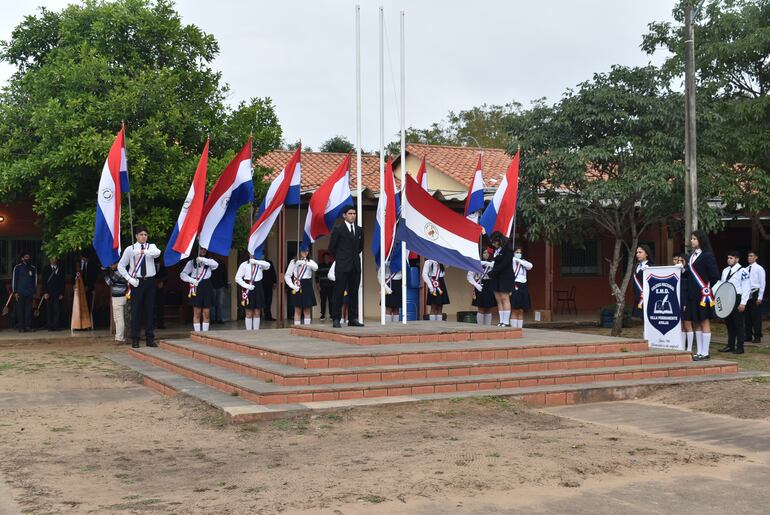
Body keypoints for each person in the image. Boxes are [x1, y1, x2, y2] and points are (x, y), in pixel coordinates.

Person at [118, 225, 161, 348]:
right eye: (141, 234)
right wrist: (130, 279)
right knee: (136, 311)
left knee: (150, 310)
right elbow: (121, 266)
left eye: (145, 235)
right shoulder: (130, 249)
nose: (143, 237)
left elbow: (157, 253)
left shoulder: (151, 247)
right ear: (136, 236)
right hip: (136, 282)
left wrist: (143, 252)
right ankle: (135, 339)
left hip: (150, 281)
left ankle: (150, 338)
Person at [683, 230, 720, 361]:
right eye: (691, 238)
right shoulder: (691, 256)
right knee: (696, 321)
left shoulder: (707, 255)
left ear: (701, 240)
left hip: (703, 294)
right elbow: (690, 273)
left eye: (694, 239)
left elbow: (715, 275)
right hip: (692, 294)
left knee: (704, 321)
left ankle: (705, 352)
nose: (692, 241)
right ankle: (699, 351)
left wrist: (707, 287)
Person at [328, 205, 364, 328]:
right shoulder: (338, 229)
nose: (353, 216)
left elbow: (360, 247)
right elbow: (331, 248)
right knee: (338, 292)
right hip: (342, 266)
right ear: (344, 215)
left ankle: (352, 318)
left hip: (355, 266)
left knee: (354, 293)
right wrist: (341, 258)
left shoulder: (359, 230)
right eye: (350, 213)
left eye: (354, 213)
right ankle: (336, 318)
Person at [719, 251, 751, 354]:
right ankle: (730, 345)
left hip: (737, 297)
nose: (729, 260)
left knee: (738, 323)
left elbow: (746, 288)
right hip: (727, 297)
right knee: (729, 323)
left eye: (731, 258)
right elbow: (722, 285)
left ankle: (740, 346)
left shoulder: (743, 271)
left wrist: (743, 303)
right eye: (728, 258)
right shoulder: (725, 270)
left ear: (737, 259)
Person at [180, 248, 219, 332]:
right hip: (196, 285)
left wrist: (202, 259)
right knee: (197, 312)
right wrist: (192, 280)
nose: (203, 251)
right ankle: (197, 334)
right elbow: (183, 274)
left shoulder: (209, 261)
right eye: (201, 249)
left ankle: (205, 334)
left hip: (207, 285)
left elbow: (216, 265)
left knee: (206, 312)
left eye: (205, 249)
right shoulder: (191, 262)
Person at [235, 256, 271, 330]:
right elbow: (237, 278)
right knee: (248, 312)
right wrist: (246, 285)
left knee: (257, 312)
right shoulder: (244, 264)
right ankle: (249, 332)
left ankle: (256, 332)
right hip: (247, 286)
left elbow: (268, 265)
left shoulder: (260, 264)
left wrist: (256, 261)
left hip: (258, 287)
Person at [284, 247, 318, 325]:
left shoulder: (310, 261)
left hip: (307, 285)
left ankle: (307, 330)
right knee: (297, 309)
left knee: (307, 310)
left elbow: (316, 268)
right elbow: (287, 275)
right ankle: (297, 329)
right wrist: (292, 286)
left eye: (307, 251)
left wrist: (305, 263)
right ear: (299, 251)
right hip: (297, 285)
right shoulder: (293, 262)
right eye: (303, 251)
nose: (305, 252)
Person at [488, 231, 514, 327]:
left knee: (504, 298)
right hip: (496, 277)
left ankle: (506, 322)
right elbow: (487, 245)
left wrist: (492, 273)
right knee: (498, 299)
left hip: (505, 277)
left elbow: (504, 265)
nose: (493, 244)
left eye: (494, 242)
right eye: (492, 243)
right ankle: (501, 321)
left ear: (499, 240)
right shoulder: (496, 250)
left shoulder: (508, 250)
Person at [467, 248, 495, 325]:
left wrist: (485, 263)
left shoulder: (493, 263)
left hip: (490, 285)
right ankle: (480, 326)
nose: (486, 254)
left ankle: (488, 326)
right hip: (479, 285)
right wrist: (476, 285)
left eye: (487, 253)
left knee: (489, 308)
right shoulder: (476, 264)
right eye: (484, 253)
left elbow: (495, 266)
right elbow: (469, 276)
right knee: (481, 307)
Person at [672, 252, 693, 352]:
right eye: (678, 260)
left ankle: (689, 348)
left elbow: (687, 275)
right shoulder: (676, 273)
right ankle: (682, 346)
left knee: (687, 324)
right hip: (678, 300)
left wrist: (683, 269)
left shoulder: (688, 272)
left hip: (687, 301)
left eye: (681, 261)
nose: (679, 262)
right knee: (681, 325)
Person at [12, 253, 37, 332]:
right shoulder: (17, 267)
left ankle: (28, 326)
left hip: (29, 292)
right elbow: (14, 280)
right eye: (26, 257)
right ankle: (21, 327)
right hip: (20, 292)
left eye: (29, 257)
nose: (28, 258)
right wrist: (15, 292)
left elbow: (35, 281)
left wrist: (34, 291)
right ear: (22, 258)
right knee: (20, 310)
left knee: (29, 310)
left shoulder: (33, 268)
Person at [104, 263, 128, 343]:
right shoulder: (120, 270)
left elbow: (110, 282)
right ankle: (118, 337)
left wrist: (105, 273)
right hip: (117, 297)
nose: (111, 266)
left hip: (119, 297)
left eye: (112, 264)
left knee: (119, 318)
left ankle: (119, 338)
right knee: (117, 318)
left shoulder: (119, 271)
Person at [744, 250, 765, 343]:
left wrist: (760, 296)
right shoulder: (745, 269)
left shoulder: (759, 268)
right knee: (747, 315)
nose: (749, 257)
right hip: (747, 293)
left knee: (755, 316)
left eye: (751, 256)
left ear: (756, 257)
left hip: (755, 292)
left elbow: (762, 283)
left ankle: (757, 336)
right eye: (748, 256)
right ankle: (748, 335)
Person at [511, 246, 533, 329]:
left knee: (521, 309)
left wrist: (519, 260)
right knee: (515, 308)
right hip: (515, 284)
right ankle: (514, 329)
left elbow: (530, 266)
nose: (518, 254)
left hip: (523, 285)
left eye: (520, 253)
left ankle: (520, 328)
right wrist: (514, 259)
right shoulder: (512, 261)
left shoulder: (523, 262)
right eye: (517, 252)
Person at [42, 258, 65, 331]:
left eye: (54, 259)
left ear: (57, 260)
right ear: (49, 260)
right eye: (51, 259)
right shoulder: (46, 269)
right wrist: (45, 292)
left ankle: (56, 326)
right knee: (49, 310)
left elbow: (62, 282)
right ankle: (50, 326)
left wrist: (61, 293)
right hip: (48, 292)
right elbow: (44, 281)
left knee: (57, 310)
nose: (53, 261)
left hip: (57, 293)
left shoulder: (60, 268)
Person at [632, 245, 654, 319]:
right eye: (637, 252)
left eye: (640, 252)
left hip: (648, 298)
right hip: (638, 297)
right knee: (641, 319)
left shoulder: (651, 266)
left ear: (646, 254)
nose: (637, 254)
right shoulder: (636, 266)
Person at [77, 250, 98, 316]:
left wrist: (88, 287)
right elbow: (73, 276)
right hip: (79, 287)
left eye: (87, 259)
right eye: (84, 258)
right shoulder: (77, 264)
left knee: (88, 304)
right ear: (81, 257)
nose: (85, 260)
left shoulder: (92, 264)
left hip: (89, 288)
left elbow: (93, 277)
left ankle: (87, 320)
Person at [316, 253, 334, 320]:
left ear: (329, 258)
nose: (326, 258)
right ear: (323, 258)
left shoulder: (332, 265)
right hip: (322, 286)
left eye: (327, 257)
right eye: (325, 257)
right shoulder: (319, 266)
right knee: (323, 301)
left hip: (331, 286)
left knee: (331, 301)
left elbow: (335, 275)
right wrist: (318, 286)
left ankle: (331, 315)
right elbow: (316, 277)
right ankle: (322, 315)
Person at [154, 260, 168, 329]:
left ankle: (160, 324)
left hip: (160, 289)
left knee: (160, 307)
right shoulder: (149, 266)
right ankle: (152, 324)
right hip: (151, 290)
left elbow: (166, 276)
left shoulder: (163, 267)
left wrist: (161, 281)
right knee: (151, 307)